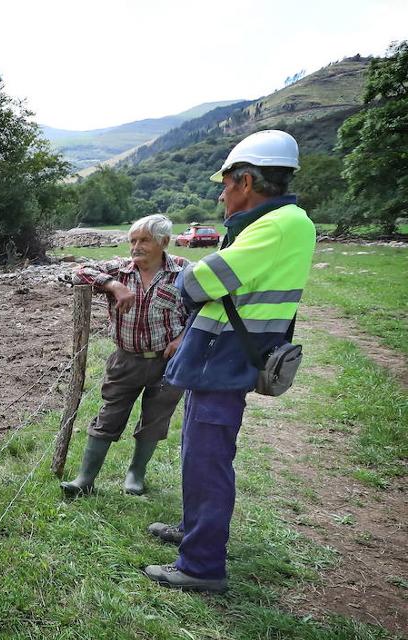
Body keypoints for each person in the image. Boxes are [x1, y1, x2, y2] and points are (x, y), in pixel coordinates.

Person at [144, 129, 315, 593]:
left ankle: (201, 565)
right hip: (218, 357)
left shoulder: (278, 225)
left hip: (226, 358)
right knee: (196, 452)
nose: (221, 194)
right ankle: (193, 530)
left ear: (244, 180)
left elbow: (198, 283)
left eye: (225, 184)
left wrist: (192, 276)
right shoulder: (273, 222)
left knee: (209, 460)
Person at [62, 214, 188, 497]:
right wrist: (114, 286)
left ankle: (136, 474)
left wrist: (183, 338)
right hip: (125, 360)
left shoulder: (183, 271)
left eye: (144, 240)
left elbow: (203, 310)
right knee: (109, 415)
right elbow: (78, 271)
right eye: (133, 240)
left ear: (163, 242)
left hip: (168, 362)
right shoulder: (119, 270)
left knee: (155, 419)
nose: (136, 246)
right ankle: (85, 480)